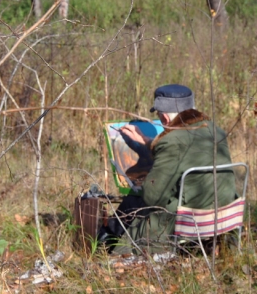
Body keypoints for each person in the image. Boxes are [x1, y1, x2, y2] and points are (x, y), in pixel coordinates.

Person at [98, 84, 238, 252]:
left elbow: (152, 197)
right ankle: (106, 237)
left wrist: (146, 180)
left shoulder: (171, 141)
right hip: (224, 214)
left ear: (164, 118)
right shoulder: (215, 130)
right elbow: (188, 154)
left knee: (136, 201)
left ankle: (107, 246)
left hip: (191, 219)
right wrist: (149, 144)